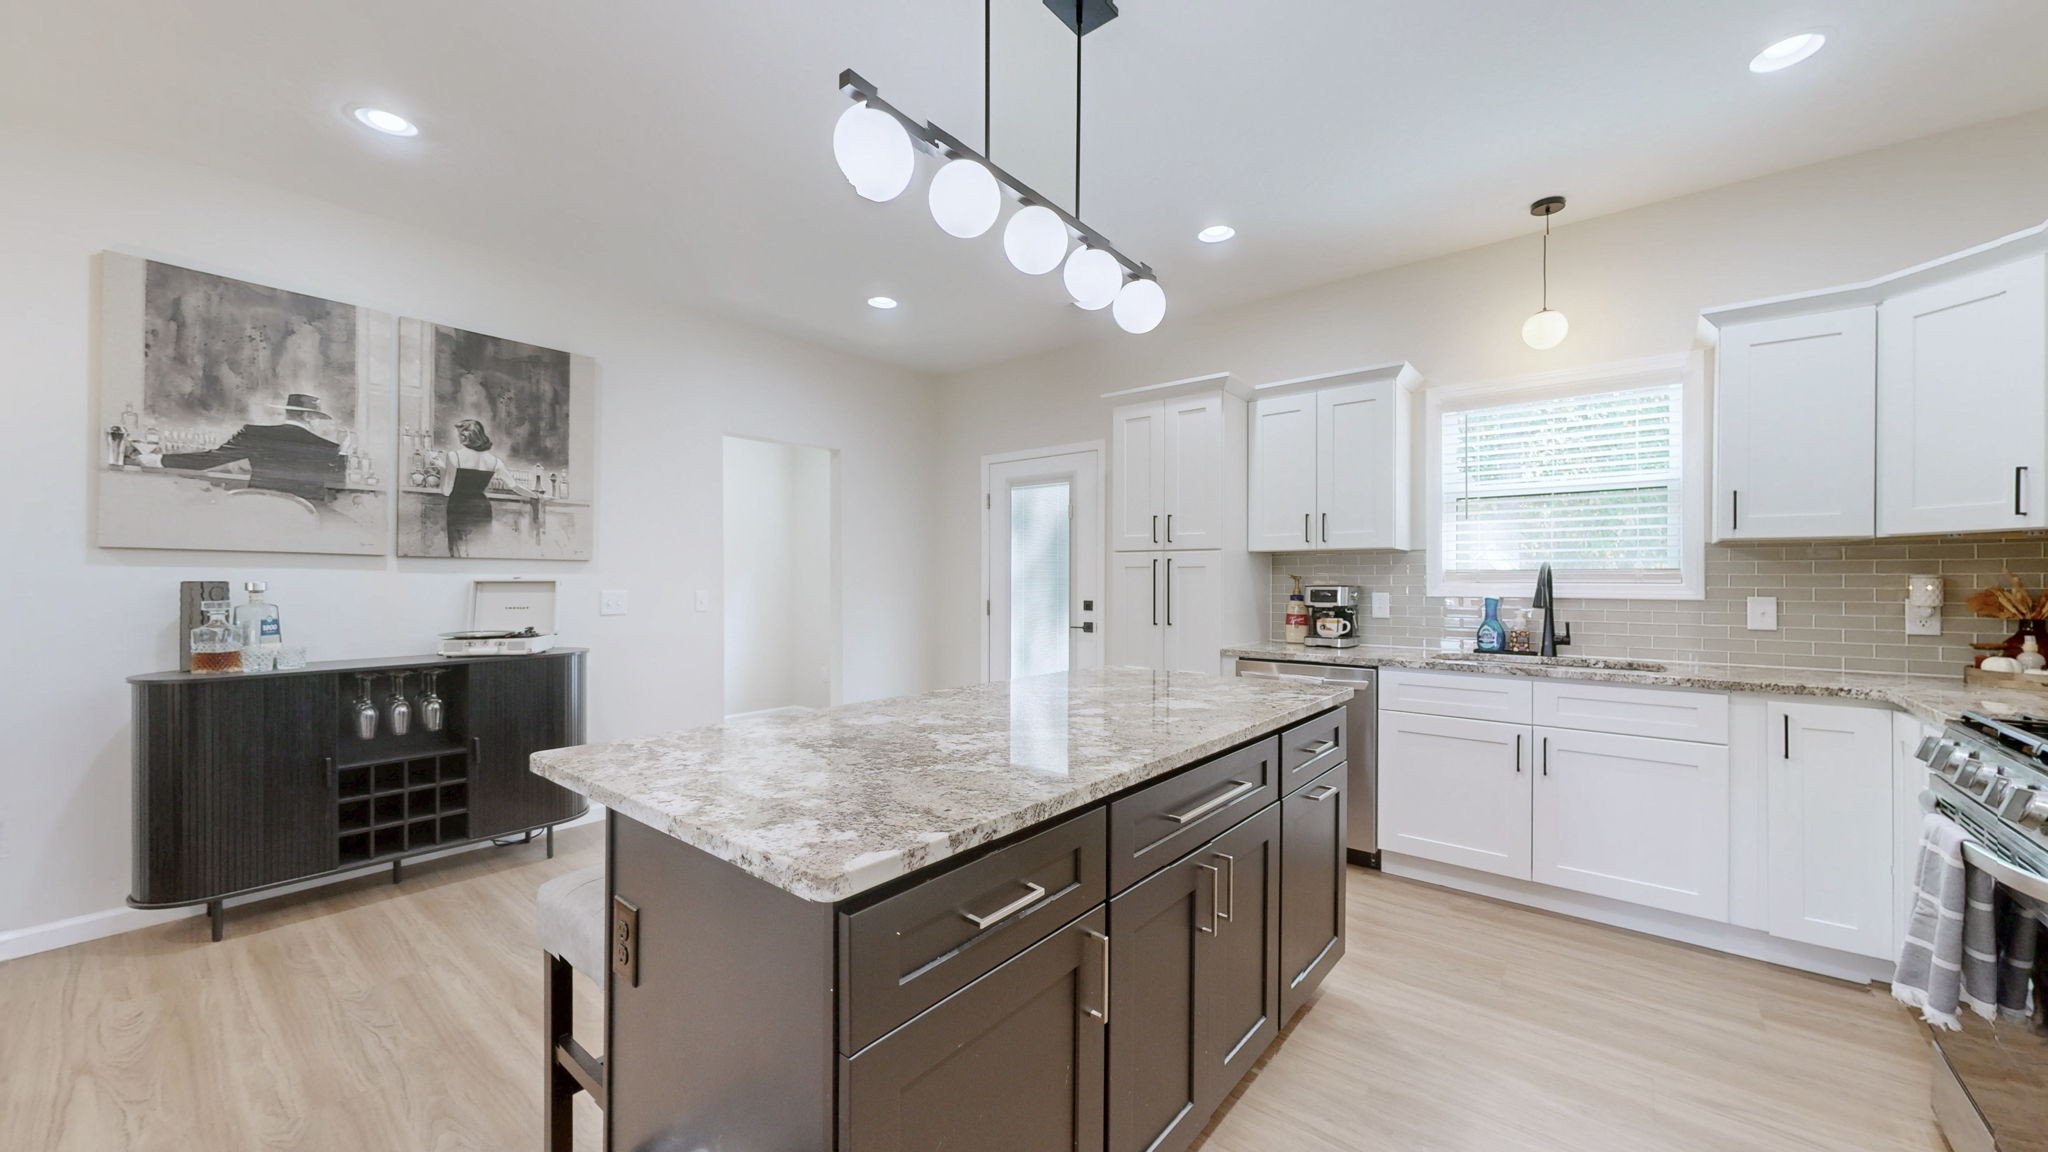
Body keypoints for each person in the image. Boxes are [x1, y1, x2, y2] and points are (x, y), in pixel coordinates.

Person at [157, 393, 344, 502]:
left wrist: (159, 459)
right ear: (310, 418)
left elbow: (211, 459)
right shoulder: (328, 447)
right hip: (304, 513)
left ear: (288, 413)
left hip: (259, 506)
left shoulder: (255, 433)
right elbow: (338, 483)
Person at [440, 418, 542, 556]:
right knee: (480, 551)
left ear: (467, 436)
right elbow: (514, 486)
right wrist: (537, 495)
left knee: (459, 554)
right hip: (482, 509)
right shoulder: (494, 461)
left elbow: (446, 491)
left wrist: (442, 470)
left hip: (459, 508)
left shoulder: (453, 457)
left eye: (461, 435)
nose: (458, 437)